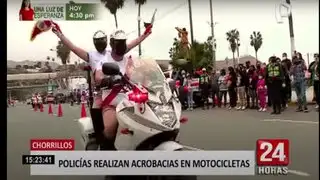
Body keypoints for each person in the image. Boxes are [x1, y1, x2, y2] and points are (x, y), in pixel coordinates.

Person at [51, 21, 152, 150]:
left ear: (107, 41)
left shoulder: (114, 52)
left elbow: (132, 44)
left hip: (123, 90)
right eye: (97, 40)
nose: (100, 42)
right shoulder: (93, 55)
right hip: (102, 89)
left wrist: (145, 35)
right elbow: (74, 48)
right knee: (99, 111)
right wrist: (60, 34)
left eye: (101, 40)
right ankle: (101, 141)